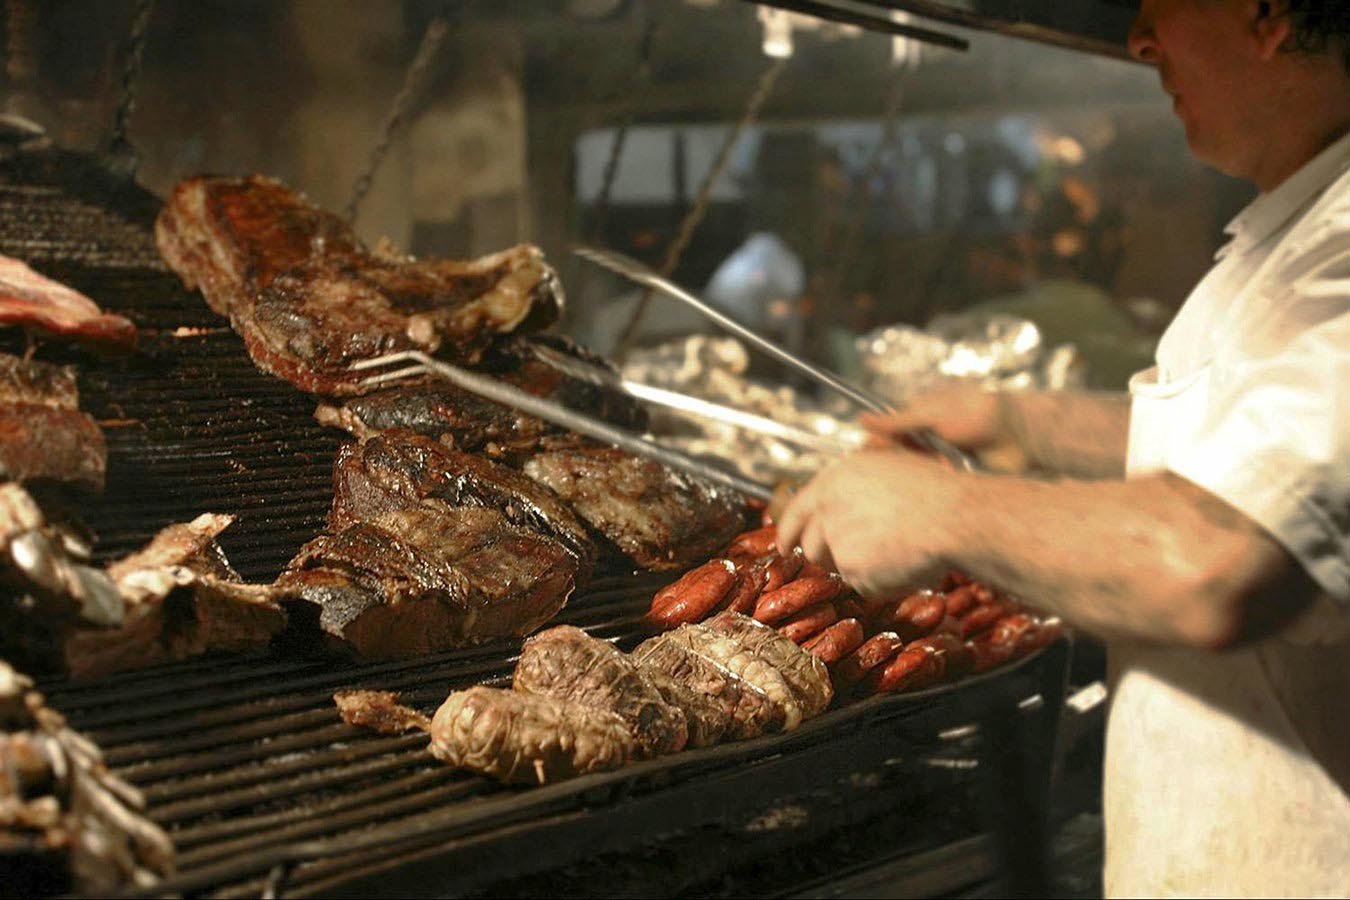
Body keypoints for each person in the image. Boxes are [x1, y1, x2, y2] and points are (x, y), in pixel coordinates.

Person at [775, 2, 1350, 895]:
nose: (1138, 40)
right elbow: (1256, 453)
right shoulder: (1300, 231)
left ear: (1267, 14)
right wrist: (1024, 422)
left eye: (1160, 5)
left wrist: (945, 508)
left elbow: (1224, 561)